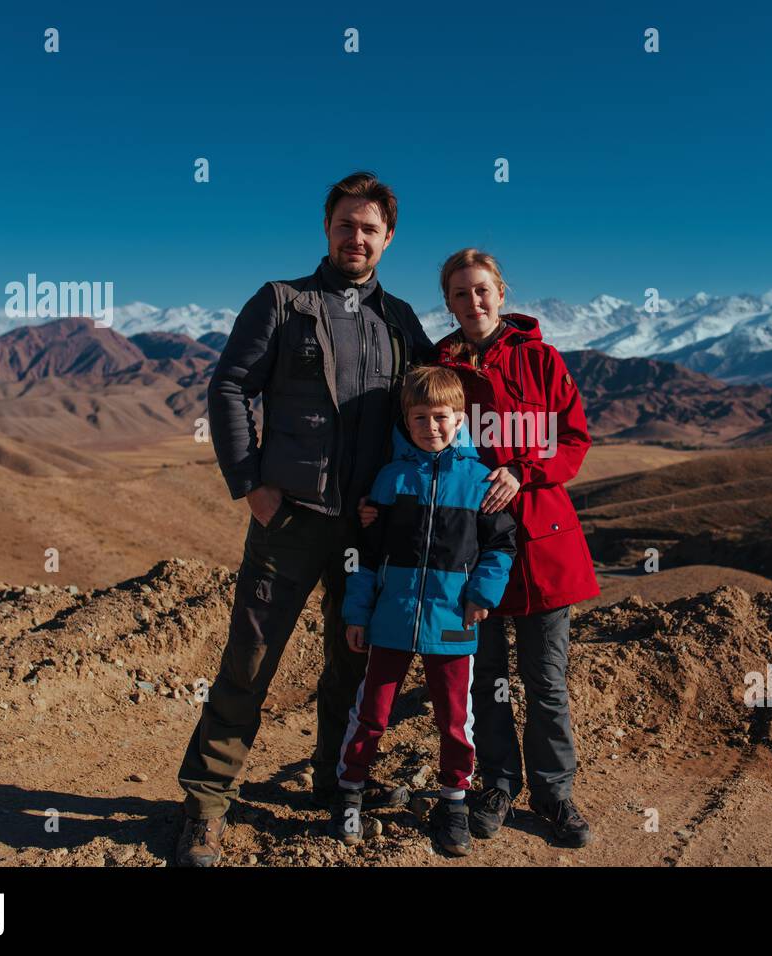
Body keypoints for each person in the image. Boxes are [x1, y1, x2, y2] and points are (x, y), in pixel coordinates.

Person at [174, 172, 434, 867]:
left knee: (352, 662)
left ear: (388, 237)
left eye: (369, 227)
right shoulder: (283, 303)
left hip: (367, 529)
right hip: (290, 521)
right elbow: (229, 385)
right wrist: (251, 486)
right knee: (249, 663)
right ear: (328, 230)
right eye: (345, 224)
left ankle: (335, 781)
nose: (356, 237)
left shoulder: (402, 322)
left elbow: (440, 402)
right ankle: (205, 805)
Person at [360, 248, 600, 847]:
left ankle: (555, 794)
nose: (473, 302)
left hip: (542, 539)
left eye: (483, 290)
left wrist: (524, 469)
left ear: (502, 292)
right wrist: (383, 501)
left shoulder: (542, 359)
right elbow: (412, 433)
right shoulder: (441, 365)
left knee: (545, 679)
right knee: (483, 675)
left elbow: (574, 439)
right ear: (448, 302)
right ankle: (495, 782)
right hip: (461, 549)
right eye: (461, 294)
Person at [334, 366, 516, 856]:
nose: (431, 427)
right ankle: (350, 791)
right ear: (406, 420)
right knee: (371, 713)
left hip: (454, 623)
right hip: (390, 620)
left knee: (455, 719)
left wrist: (482, 596)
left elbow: (501, 546)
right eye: (420, 418)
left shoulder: (481, 481)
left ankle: (454, 801)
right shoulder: (391, 480)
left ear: (460, 418)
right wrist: (358, 613)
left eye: (441, 417)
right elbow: (367, 556)